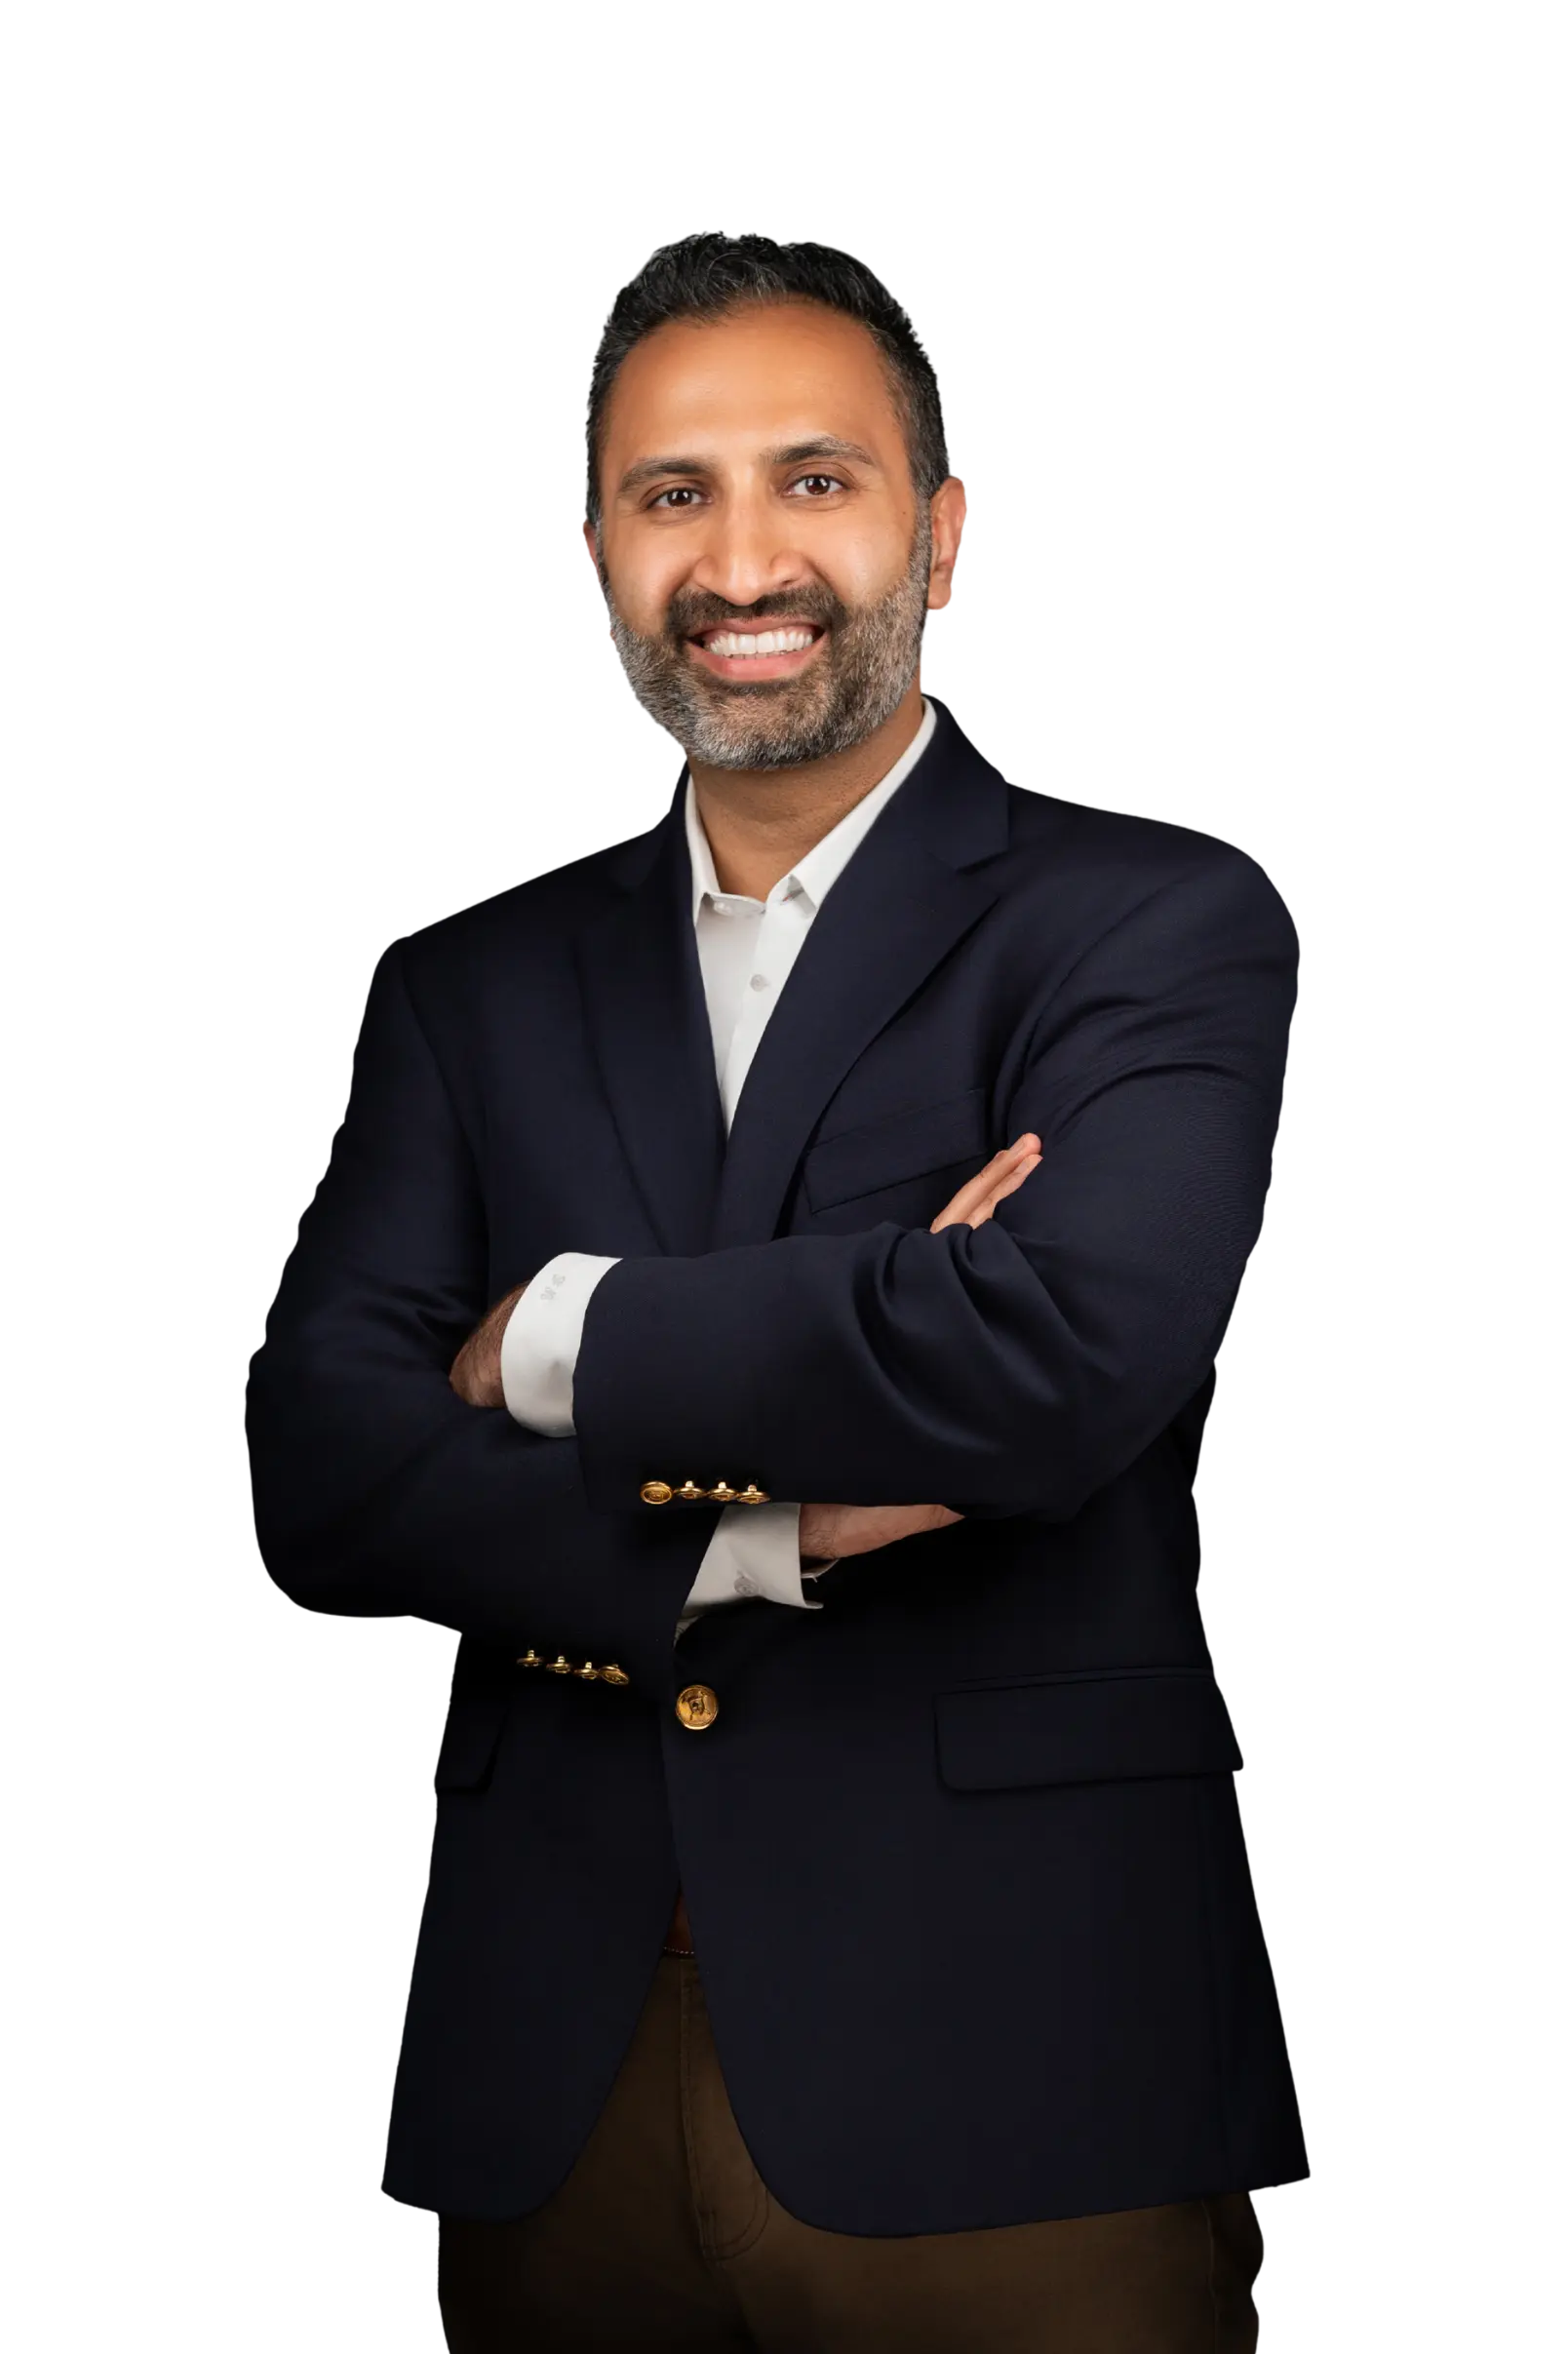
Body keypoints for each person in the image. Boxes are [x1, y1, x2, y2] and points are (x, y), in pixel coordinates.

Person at [245, 227, 1312, 2351]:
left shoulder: (1154, 916)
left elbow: (1053, 1359)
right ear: (595, 551)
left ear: (943, 529)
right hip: (546, 2087)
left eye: (815, 481)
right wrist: (764, 1526)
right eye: (675, 494)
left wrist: (542, 1333)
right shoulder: (460, 984)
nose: (745, 561)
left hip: (1018, 2080)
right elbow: (316, 1473)